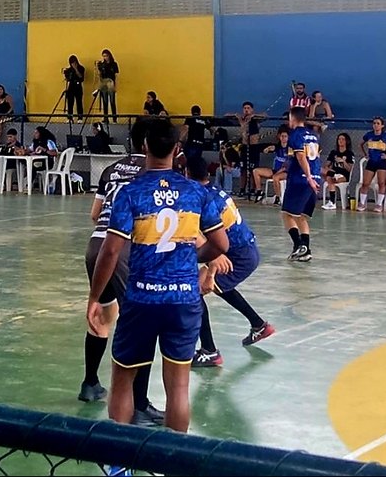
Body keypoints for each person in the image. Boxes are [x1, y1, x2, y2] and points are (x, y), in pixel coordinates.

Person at [87, 116, 229, 441]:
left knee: (122, 379)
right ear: (177, 149)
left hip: (140, 300)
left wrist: (96, 297)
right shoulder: (196, 193)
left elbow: (110, 253)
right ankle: (172, 461)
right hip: (183, 300)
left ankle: (118, 464)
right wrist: (191, 257)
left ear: (144, 146)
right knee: (178, 387)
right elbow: (221, 245)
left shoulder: (130, 192)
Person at [80, 117, 165, 427]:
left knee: (104, 314)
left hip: (95, 245)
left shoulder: (113, 168)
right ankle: (139, 404)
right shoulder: (154, 172)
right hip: (124, 248)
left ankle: (90, 383)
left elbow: (94, 214)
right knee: (141, 322)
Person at [186, 157, 275, 368]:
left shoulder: (201, 198)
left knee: (194, 293)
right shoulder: (214, 190)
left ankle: (209, 351)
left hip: (238, 254)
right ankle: (259, 325)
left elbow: (207, 235)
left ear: (187, 175)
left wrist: (212, 267)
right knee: (222, 288)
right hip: (245, 248)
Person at [282, 107, 321, 262]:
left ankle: (298, 245)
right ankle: (306, 250)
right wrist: (315, 178)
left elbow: (301, 157)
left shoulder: (295, 135)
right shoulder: (313, 135)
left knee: (287, 214)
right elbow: (315, 157)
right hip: (315, 179)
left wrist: (309, 177)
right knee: (302, 217)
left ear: (293, 118)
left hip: (301, 180)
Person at [358, 117, 386, 212]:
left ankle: (379, 204)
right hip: (371, 161)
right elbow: (360, 144)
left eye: (378, 123)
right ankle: (362, 203)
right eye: (374, 123)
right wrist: (365, 154)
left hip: (381, 162)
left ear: (382, 125)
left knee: (381, 183)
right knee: (365, 183)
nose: (376, 125)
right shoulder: (369, 135)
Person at [252, 125, 289, 203]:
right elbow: (272, 147)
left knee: (276, 177)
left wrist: (277, 173)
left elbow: (287, 166)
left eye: (285, 136)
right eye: (282, 136)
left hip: (286, 172)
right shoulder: (278, 146)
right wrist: (268, 148)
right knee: (256, 171)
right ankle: (259, 192)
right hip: (275, 170)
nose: (283, 138)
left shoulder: (290, 149)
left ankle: (278, 198)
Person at [321, 133, 355, 210]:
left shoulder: (349, 153)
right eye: (339, 139)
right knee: (323, 171)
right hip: (333, 172)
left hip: (344, 175)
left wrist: (343, 162)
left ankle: (332, 202)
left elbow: (349, 169)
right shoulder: (333, 152)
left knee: (330, 177)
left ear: (347, 141)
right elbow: (326, 165)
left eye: (343, 139)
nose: (340, 141)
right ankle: (332, 202)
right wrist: (328, 168)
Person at [95, 49, 119, 123]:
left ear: (109, 56)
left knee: (112, 101)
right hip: (104, 82)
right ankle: (106, 118)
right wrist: (97, 67)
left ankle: (114, 119)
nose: (105, 58)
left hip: (111, 82)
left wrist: (116, 86)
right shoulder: (102, 65)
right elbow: (99, 75)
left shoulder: (114, 64)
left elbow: (116, 75)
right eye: (103, 56)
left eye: (106, 56)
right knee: (104, 101)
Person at [63, 55, 85, 122]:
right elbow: (68, 79)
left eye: (74, 62)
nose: (73, 64)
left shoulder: (81, 68)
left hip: (78, 86)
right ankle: (70, 117)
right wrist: (66, 74)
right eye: (72, 63)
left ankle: (80, 118)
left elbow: (81, 78)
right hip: (71, 86)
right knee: (70, 102)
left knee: (79, 102)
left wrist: (76, 69)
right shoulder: (69, 70)